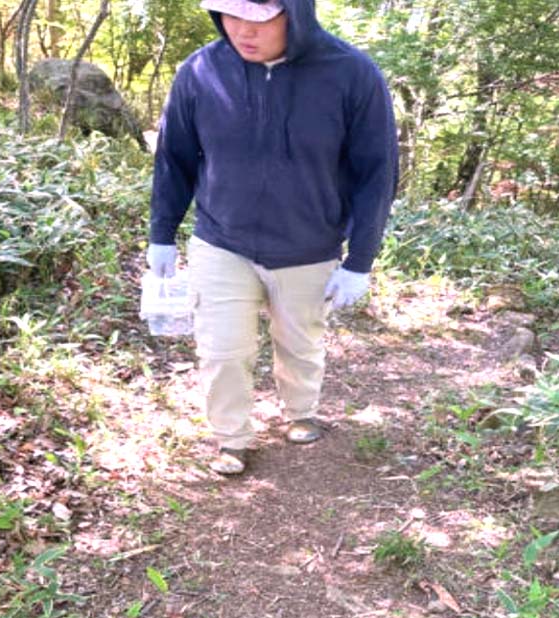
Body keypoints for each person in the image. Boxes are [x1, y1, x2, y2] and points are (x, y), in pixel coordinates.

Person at [146, 0, 398, 475]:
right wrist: (162, 232)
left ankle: (301, 411)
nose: (242, 30)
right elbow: (174, 158)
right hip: (222, 239)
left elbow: (376, 174)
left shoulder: (352, 73)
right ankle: (231, 437)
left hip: (310, 244)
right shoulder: (200, 71)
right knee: (222, 350)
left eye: (258, 19)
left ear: (295, 13)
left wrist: (360, 261)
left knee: (300, 343)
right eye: (230, 15)